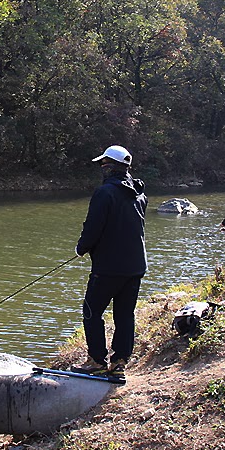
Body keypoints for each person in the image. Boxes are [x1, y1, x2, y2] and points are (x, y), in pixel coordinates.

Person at [72, 144, 148, 379]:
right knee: (125, 315)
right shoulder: (139, 193)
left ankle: (97, 361)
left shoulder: (104, 193)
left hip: (108, 267)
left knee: (91, 312)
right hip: (135, 266)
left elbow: (93, 226)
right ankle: (120, 362)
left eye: (104, 164)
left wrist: (81, 248)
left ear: (112, 167)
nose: (102, 169)